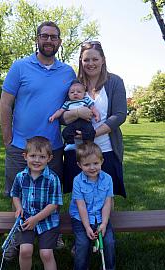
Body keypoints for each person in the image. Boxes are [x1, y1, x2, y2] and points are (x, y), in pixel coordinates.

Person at [0, 21, 76, 257]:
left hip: (52, 148)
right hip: (21, 146)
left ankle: (51, 235)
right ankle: (17, 238)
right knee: (18, 195)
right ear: (37, 39)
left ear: (59, 42)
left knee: (49, 194)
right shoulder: (20, 67)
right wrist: (7, 138)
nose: (49, 41)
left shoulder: (67, 72)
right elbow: (5, 103)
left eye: (54, 37)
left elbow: (71, 105)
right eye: (45, 36)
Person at [62, 41, 127, 198]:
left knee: (105, 196)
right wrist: (78, 112)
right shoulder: (74, 85)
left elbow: (119, 115)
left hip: (106, 150)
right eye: (86, 60)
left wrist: (91, 134)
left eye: (95, 59)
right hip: (77, 151)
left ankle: (104, 223)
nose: (90, 63)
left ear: (103, 59)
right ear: (81, 61)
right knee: (80, 197)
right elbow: (62, 117)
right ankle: (81, 222)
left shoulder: (114, 82)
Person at [11, 136, 62, 270]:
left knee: (46, 253)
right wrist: (18, 208)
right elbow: (15, 195)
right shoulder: (20, 177)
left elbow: (54, 205)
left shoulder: (53, 179)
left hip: (47, 221)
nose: (37, 160)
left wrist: (36, 219)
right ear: (25, 156)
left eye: (42, 157)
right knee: (25, 251)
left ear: (49, 158)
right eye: (33, 156)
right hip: (26, 220)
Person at [69, 142, 115, 270]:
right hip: (81, 218)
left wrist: (103, 223)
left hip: (102, 217)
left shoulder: (107, 179)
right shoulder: (77, 181)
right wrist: (87, 226)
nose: (92, 167)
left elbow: (108, 202)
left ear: (101, 161)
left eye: (95, 163)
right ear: (79, 165)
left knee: (108, 242)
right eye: (87, 164)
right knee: (82, 243)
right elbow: (80, 206)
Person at [49, 79, 100, 151]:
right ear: (68, 95)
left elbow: (93, 108)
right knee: (66, 132)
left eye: (79, 92)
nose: (75, 93)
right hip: (72, 122)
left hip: (85, 122)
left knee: (90, 131)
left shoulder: (86, 100)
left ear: (84, 94)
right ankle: (71, 144)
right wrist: (54, 116)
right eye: (72, 92)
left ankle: (88, 145)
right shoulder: (68, 103)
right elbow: (60, 111)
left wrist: (97, 115)